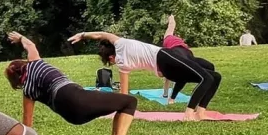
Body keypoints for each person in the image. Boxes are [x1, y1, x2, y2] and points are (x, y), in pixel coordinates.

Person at [5, 33, 137, 135]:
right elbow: (30, 45)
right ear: (24, 63)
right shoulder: (35, 63)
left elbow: (27, 123)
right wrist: (20, 38)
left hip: (72, 116)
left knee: (121, 103)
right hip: (74, 96)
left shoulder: (28, 91)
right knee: (130, 102)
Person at [69, 28, 220, 122]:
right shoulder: (120, 43)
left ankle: (200, 113)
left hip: (166, 70)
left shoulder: (122, 64)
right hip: (164, 57)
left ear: (110, 57)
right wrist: (82, 35)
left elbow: (124, 94)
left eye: (110, 62)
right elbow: (100, 34)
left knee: (214, 77)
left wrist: (117, 108)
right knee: (206, 78)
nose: (113, 63)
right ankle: (189, 114)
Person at [159, 15, 220, 103]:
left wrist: (171, 18)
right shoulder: (167, 38)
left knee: (210, 66)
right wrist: (171, 18)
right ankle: (171, 98)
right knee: (184, 73)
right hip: (181, 55)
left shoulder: (170, 38)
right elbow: (171, 25)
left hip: (189, 56)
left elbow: (172, 25)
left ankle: (202, 86)